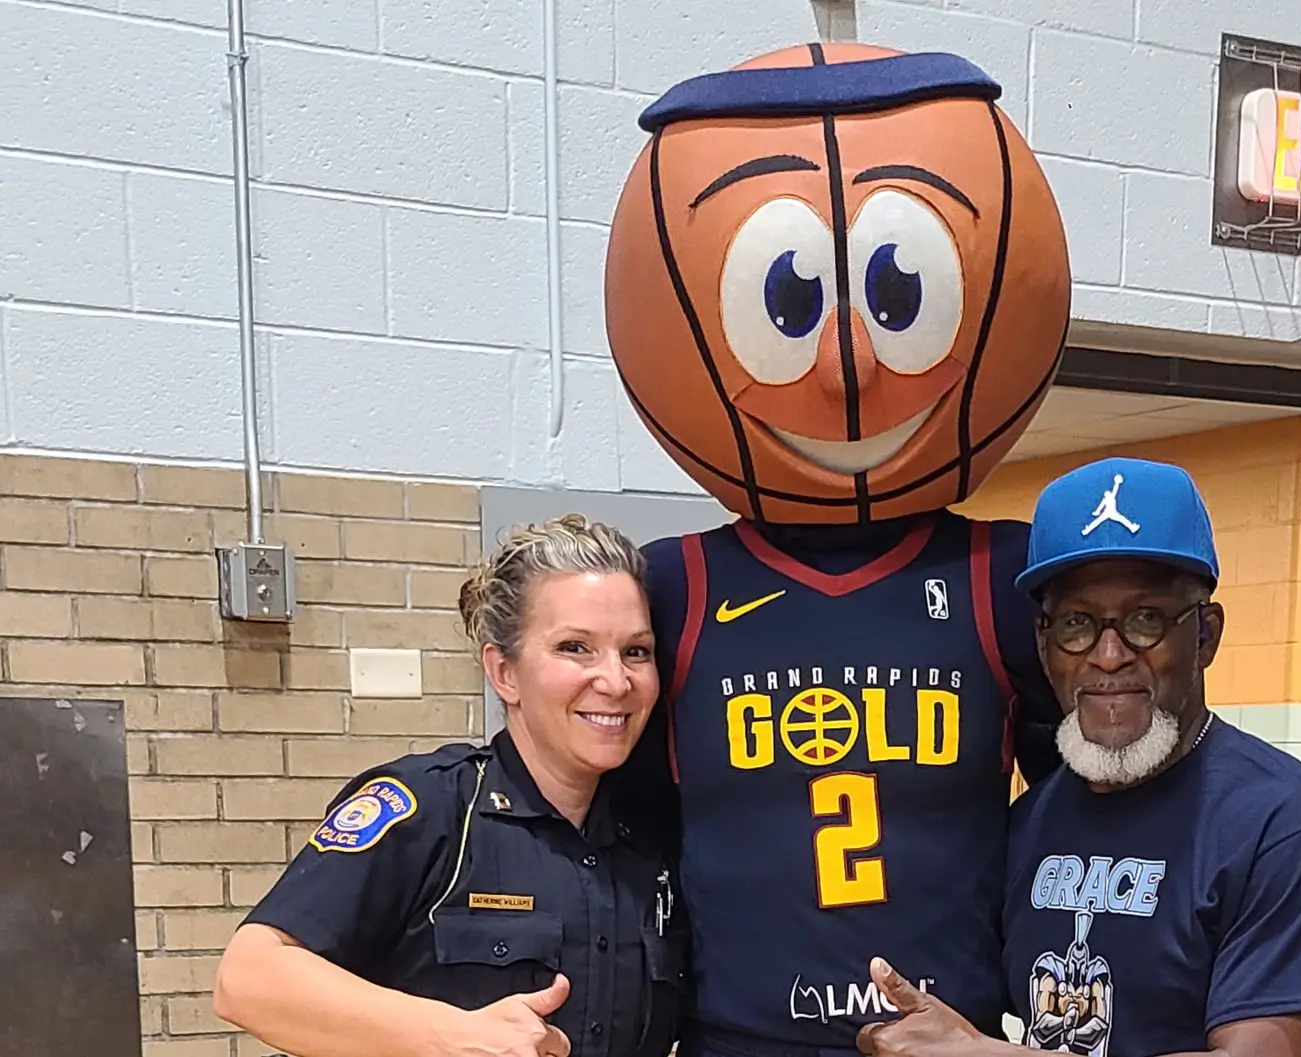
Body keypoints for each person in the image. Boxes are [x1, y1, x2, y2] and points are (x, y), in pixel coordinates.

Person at [601, 42, 1075, 1057]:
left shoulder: (1000, 576)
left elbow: (1088, 816)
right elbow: (609, 818)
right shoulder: (672, 585)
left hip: (950, 1040)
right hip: (732, 1037)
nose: (849, 365)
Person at [854, 457, 1301, 1057]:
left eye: (1144, 620)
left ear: (1205, 635)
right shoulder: (1033, 822)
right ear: (1044, 644)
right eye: (1078, 623)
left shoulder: (1282, 825)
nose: (1108, 656)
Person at [212, 514, 689, 1057]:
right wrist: (454, 1036)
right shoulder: (430, 807)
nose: (615, 681)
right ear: (503, 673)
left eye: (636, 651)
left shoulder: (656, 838)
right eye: (574, 648)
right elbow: (248, 978)